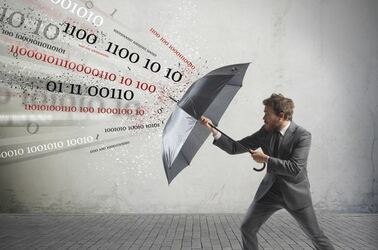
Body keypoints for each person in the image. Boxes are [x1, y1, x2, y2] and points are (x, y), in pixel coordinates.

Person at [200, 93, 334, 250]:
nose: (263, 118)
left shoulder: (302, 136)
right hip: (270, 192)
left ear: (281, 116)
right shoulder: (266, 131)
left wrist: (266, 159)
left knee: (316, 235)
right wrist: (212, 130)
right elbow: (235, 147)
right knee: (247, 228)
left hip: (296, 194)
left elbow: (295, 168)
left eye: (267, 114)